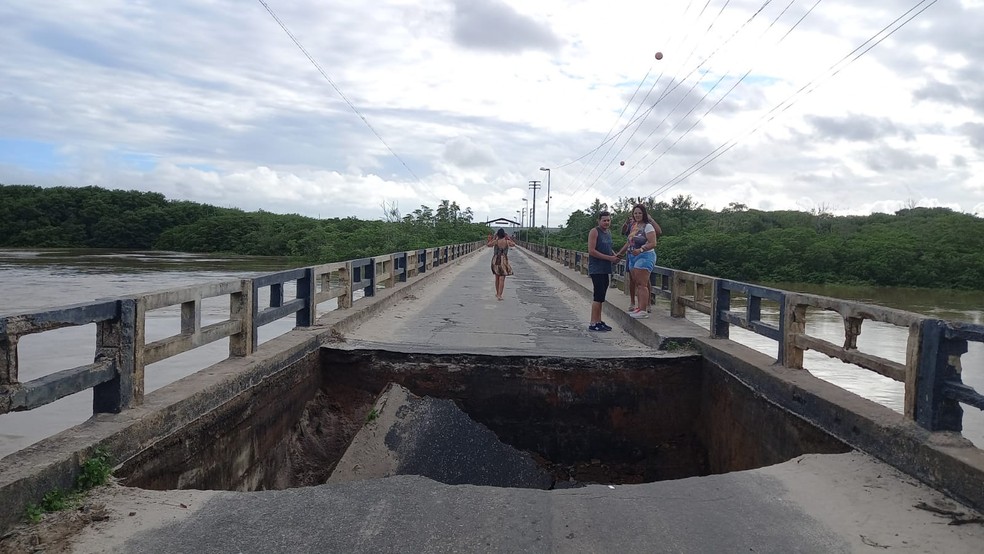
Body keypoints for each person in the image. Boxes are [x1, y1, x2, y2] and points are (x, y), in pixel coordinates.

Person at [616, 204, 662, 319]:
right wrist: (620, 254)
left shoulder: (648, 226)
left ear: (644, 214)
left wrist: (641, 249)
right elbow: (629, 242)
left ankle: (643, 310)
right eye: (635, 213)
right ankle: (639, 307)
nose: (637, 215)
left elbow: (653, 243)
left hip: (645, 256)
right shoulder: (634, 226)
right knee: (636, 282)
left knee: (642, 284)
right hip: (632, 256)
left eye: (640, 213)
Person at [587, 211, 621, 331]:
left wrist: (614, 255)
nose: (606, 222)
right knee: (598, 295)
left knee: (602, 297)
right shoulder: (594, 231)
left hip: (605, 268)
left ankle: (599, 321)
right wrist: (609, 258)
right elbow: (591, 251)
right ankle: (593, 322)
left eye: (608, 220)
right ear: (599, 221)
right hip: (596, 268)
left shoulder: (608, 233)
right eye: (604, 220)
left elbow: (608, 247)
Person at [487, 228, 516, 300]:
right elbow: (513, 244)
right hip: (503, 260)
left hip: (496, 259)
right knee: (502, 278)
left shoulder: (496, 241)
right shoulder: (507, 241)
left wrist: (493, 238)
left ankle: (497, 293)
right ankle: (500, 295)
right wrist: (509, 238)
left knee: (497, 277)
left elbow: (489, 245)